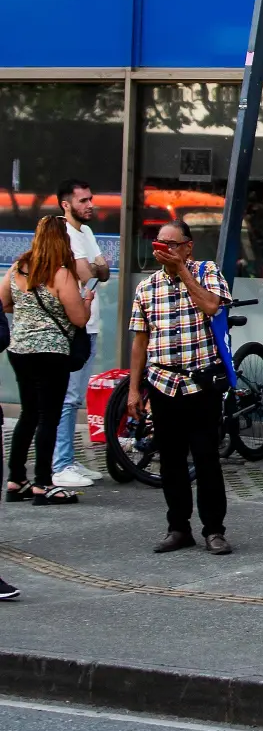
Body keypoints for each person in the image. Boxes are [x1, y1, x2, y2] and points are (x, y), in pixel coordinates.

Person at [128, 220, 233, 554]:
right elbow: (140, 341)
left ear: (188, 247)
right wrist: (134, 389)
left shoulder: (207, 271)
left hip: (200, 381)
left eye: (172, 244)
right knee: (170, 459)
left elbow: (213, 306)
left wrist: (184, 274)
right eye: (160, 244)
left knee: (206, 457)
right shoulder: (146, 288)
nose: (165, 250)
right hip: (162, 381)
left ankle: (214, 529)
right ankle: (178, 527)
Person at [1, 215, 93, 505]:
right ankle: (43, 484)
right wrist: (86, 300)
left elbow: (3, 303)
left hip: (20, 351)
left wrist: (29, 316)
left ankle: (16, 480)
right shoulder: (61, 273)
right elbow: (78, 319)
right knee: (48, 418)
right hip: (51, 353)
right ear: (62, 240)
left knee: (28, 414)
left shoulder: (18, 268)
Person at [52, 179, 109, 489]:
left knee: (73, 398)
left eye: (91, 198)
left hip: (91, 322)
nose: (90, 204)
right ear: (66, 204)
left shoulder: (85, 232)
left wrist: (94, 267)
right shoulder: (61, 233)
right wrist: (94, 267)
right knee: (67, 397)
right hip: (73, 324)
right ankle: (59, 465)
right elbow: (90, 272)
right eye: (83, 200)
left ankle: (68, 459)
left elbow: (104, 272)